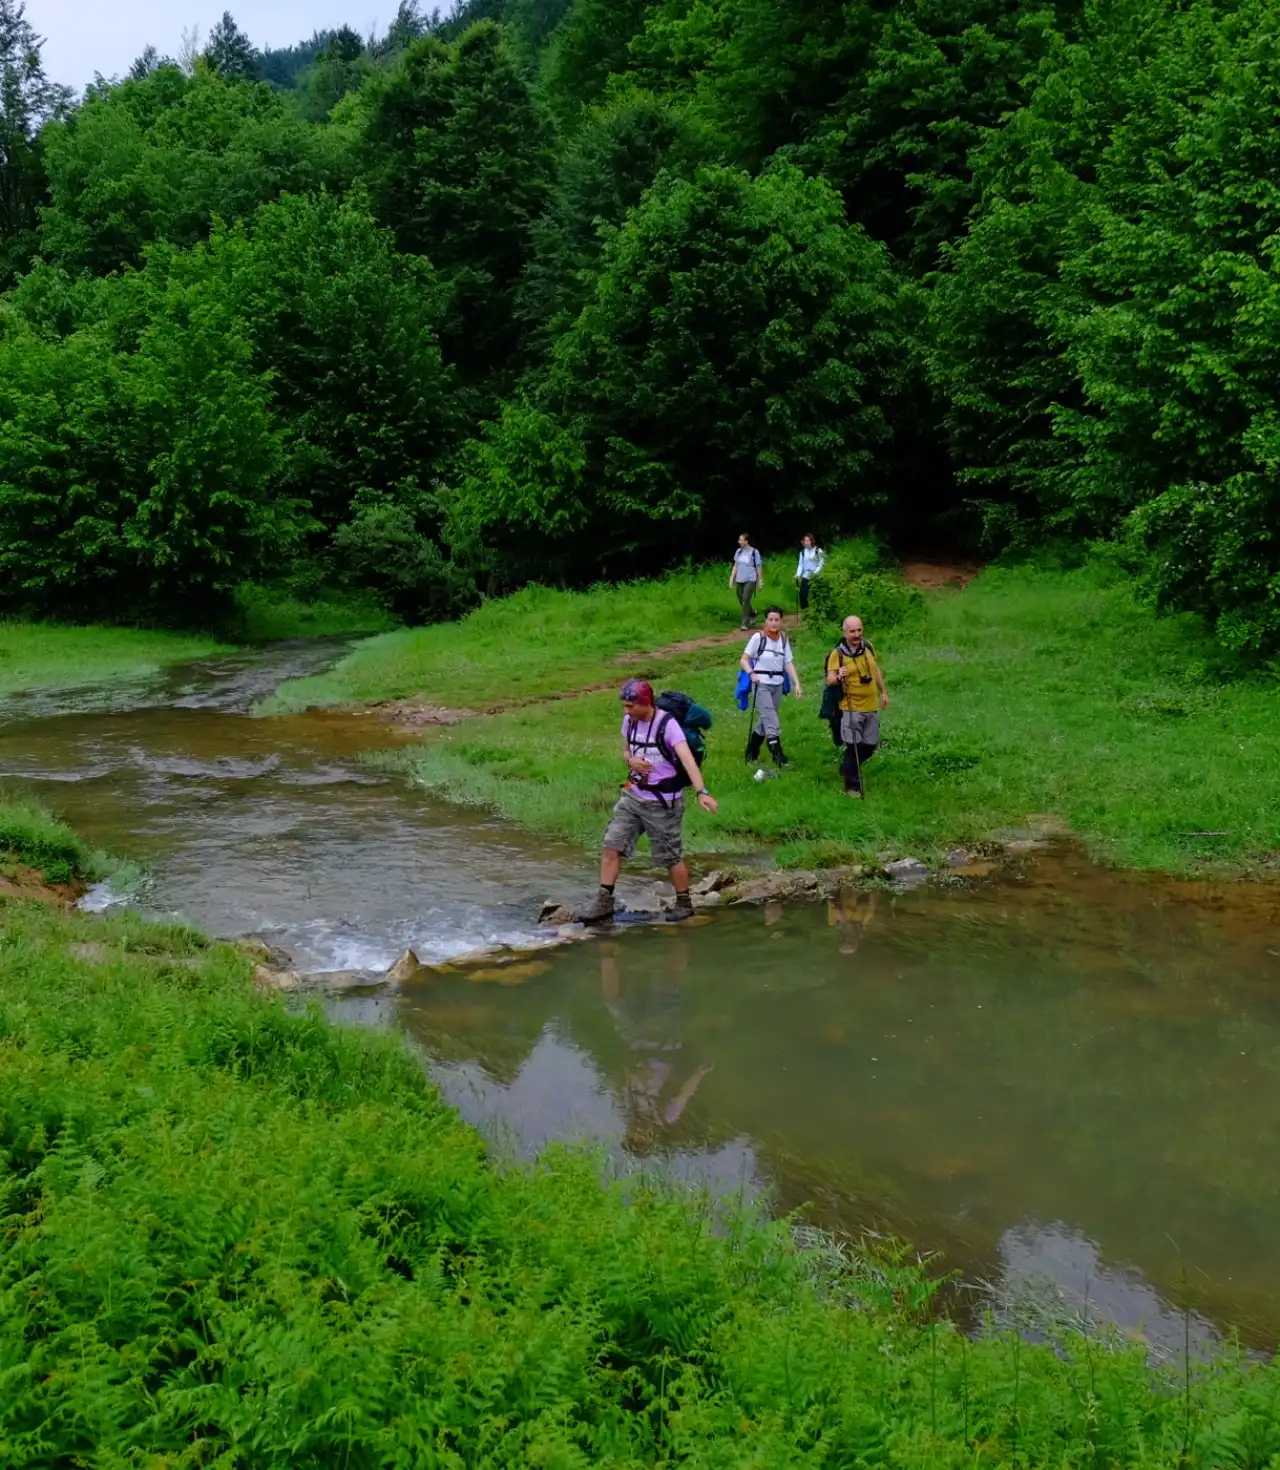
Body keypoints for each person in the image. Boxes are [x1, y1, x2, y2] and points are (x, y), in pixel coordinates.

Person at [577, 679, 719, 925]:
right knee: (612, 845)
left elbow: (687, 760)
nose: (626, 711)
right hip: (633, 796)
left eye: (630, 706)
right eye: (624, 706)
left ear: (645, 703)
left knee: (671, 856)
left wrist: (702, 792)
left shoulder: (668, 725)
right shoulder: (629, 722)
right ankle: (603, 902)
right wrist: (631, 762)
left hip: (663, 803)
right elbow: (626, 751)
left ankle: (684, 903)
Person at [824, 615, 889, 798]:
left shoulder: (868, 647)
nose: (856, 634)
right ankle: (852, 788)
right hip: (850, 706)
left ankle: (847, 767)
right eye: (852, 631)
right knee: (853, 747)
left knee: (869, 746)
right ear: (845, 632)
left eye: (859, 630)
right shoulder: (838, 653)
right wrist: (838, 676)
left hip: (871, 705)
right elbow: (829, 680)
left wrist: (883, 692)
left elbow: (875, 670)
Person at [741, 605, 803, 769]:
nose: (774, 623)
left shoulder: (783, 639)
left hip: (777, 684)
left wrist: (797, 683)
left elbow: (788, 662)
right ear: (766, 621)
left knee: (765, 719)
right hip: (761, 684)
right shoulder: (758, 638)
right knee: (772, 721)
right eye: (771, 620)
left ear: (781, 621)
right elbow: (744, 659)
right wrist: (751, 673)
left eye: (777, 620)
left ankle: (751, 753)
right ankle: (779, 757)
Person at [728, 533, 763, 630]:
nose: (739, 542)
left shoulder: (754, 552)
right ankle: (752, 612)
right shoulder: (738, 551)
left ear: (746, 541)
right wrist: (732, 578)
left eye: (741, 540)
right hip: (740, 578)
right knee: (740, 598)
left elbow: (758, 567)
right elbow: (736, 565)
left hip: (750, 579)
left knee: (745, 599)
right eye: (739, 540)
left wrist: (760, 580)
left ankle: (744, 623)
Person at [794, 533, 825, 613]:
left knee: (816, 595)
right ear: (803, 542)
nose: (807, 542)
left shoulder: (818, 551)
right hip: (806, 575)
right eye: (805, 541)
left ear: (812, 541)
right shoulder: (802, 552)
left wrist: (816, 573)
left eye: (808, 540)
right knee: (802, 595)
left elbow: (821, 564)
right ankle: (806, 612)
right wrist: (798, 574)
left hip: (816, 576)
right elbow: (801, 565)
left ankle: (817, 612)